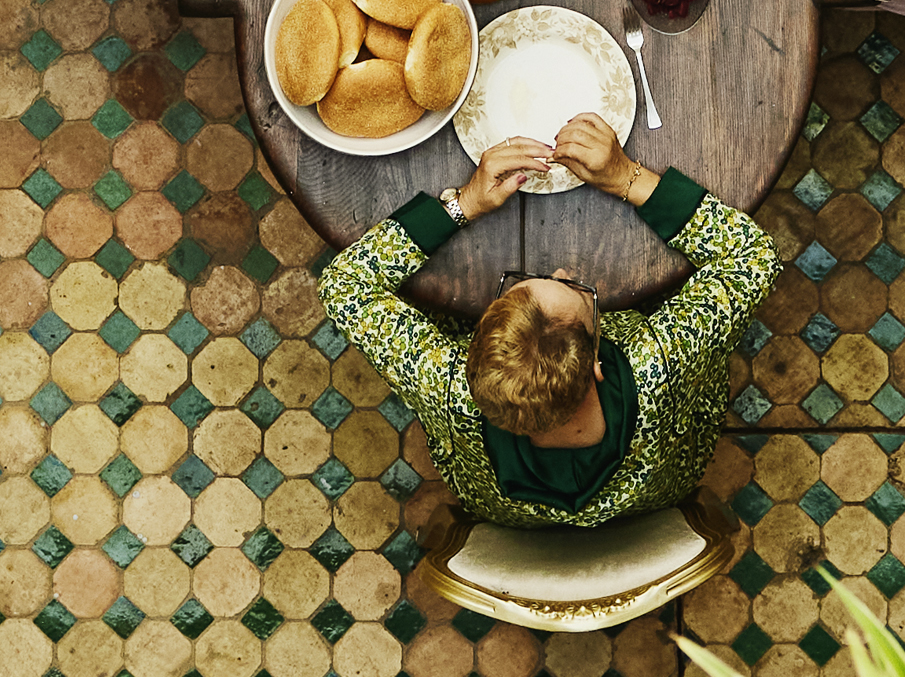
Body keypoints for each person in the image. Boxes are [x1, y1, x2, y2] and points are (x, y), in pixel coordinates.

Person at [314, 122, 776, 536]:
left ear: (474, 347)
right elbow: (753, 257)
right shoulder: (661, 363)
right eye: (573, 289)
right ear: (596, 365)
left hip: (501, 511)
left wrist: (465, 203)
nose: (557, 271)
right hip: (661, 485)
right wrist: (626, 177)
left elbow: (344, 284)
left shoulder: (442, 380)